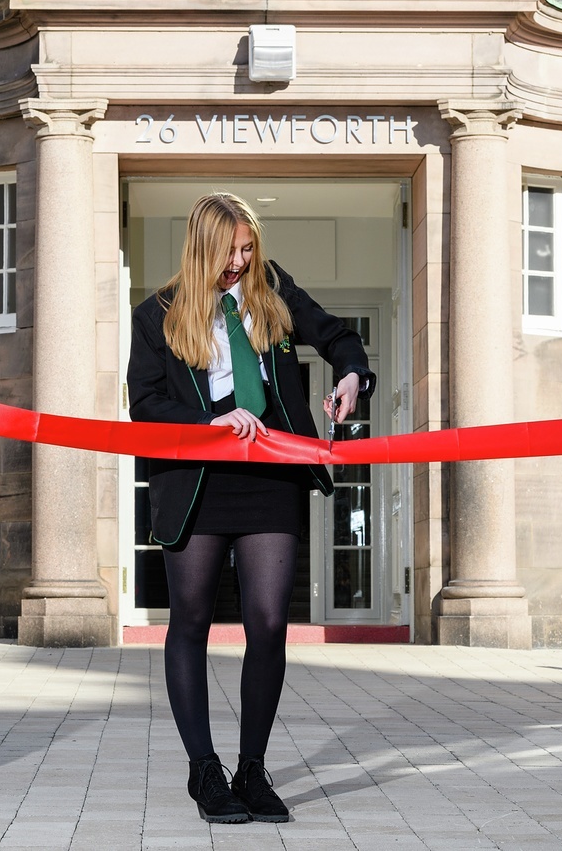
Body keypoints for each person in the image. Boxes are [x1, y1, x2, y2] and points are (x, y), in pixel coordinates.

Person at [126, 192, 374, 824]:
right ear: (201, 247)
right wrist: (211, 420)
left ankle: (254, 771)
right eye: (228, 250)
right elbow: (146, 404)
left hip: (269, 475)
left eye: (247, 249)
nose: (239, 262)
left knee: (268, 623)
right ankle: (204, 771)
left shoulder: (272, 291)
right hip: (196, 479)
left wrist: (351, 376)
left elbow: (338, 336)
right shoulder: (155, 314)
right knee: (191, 622)